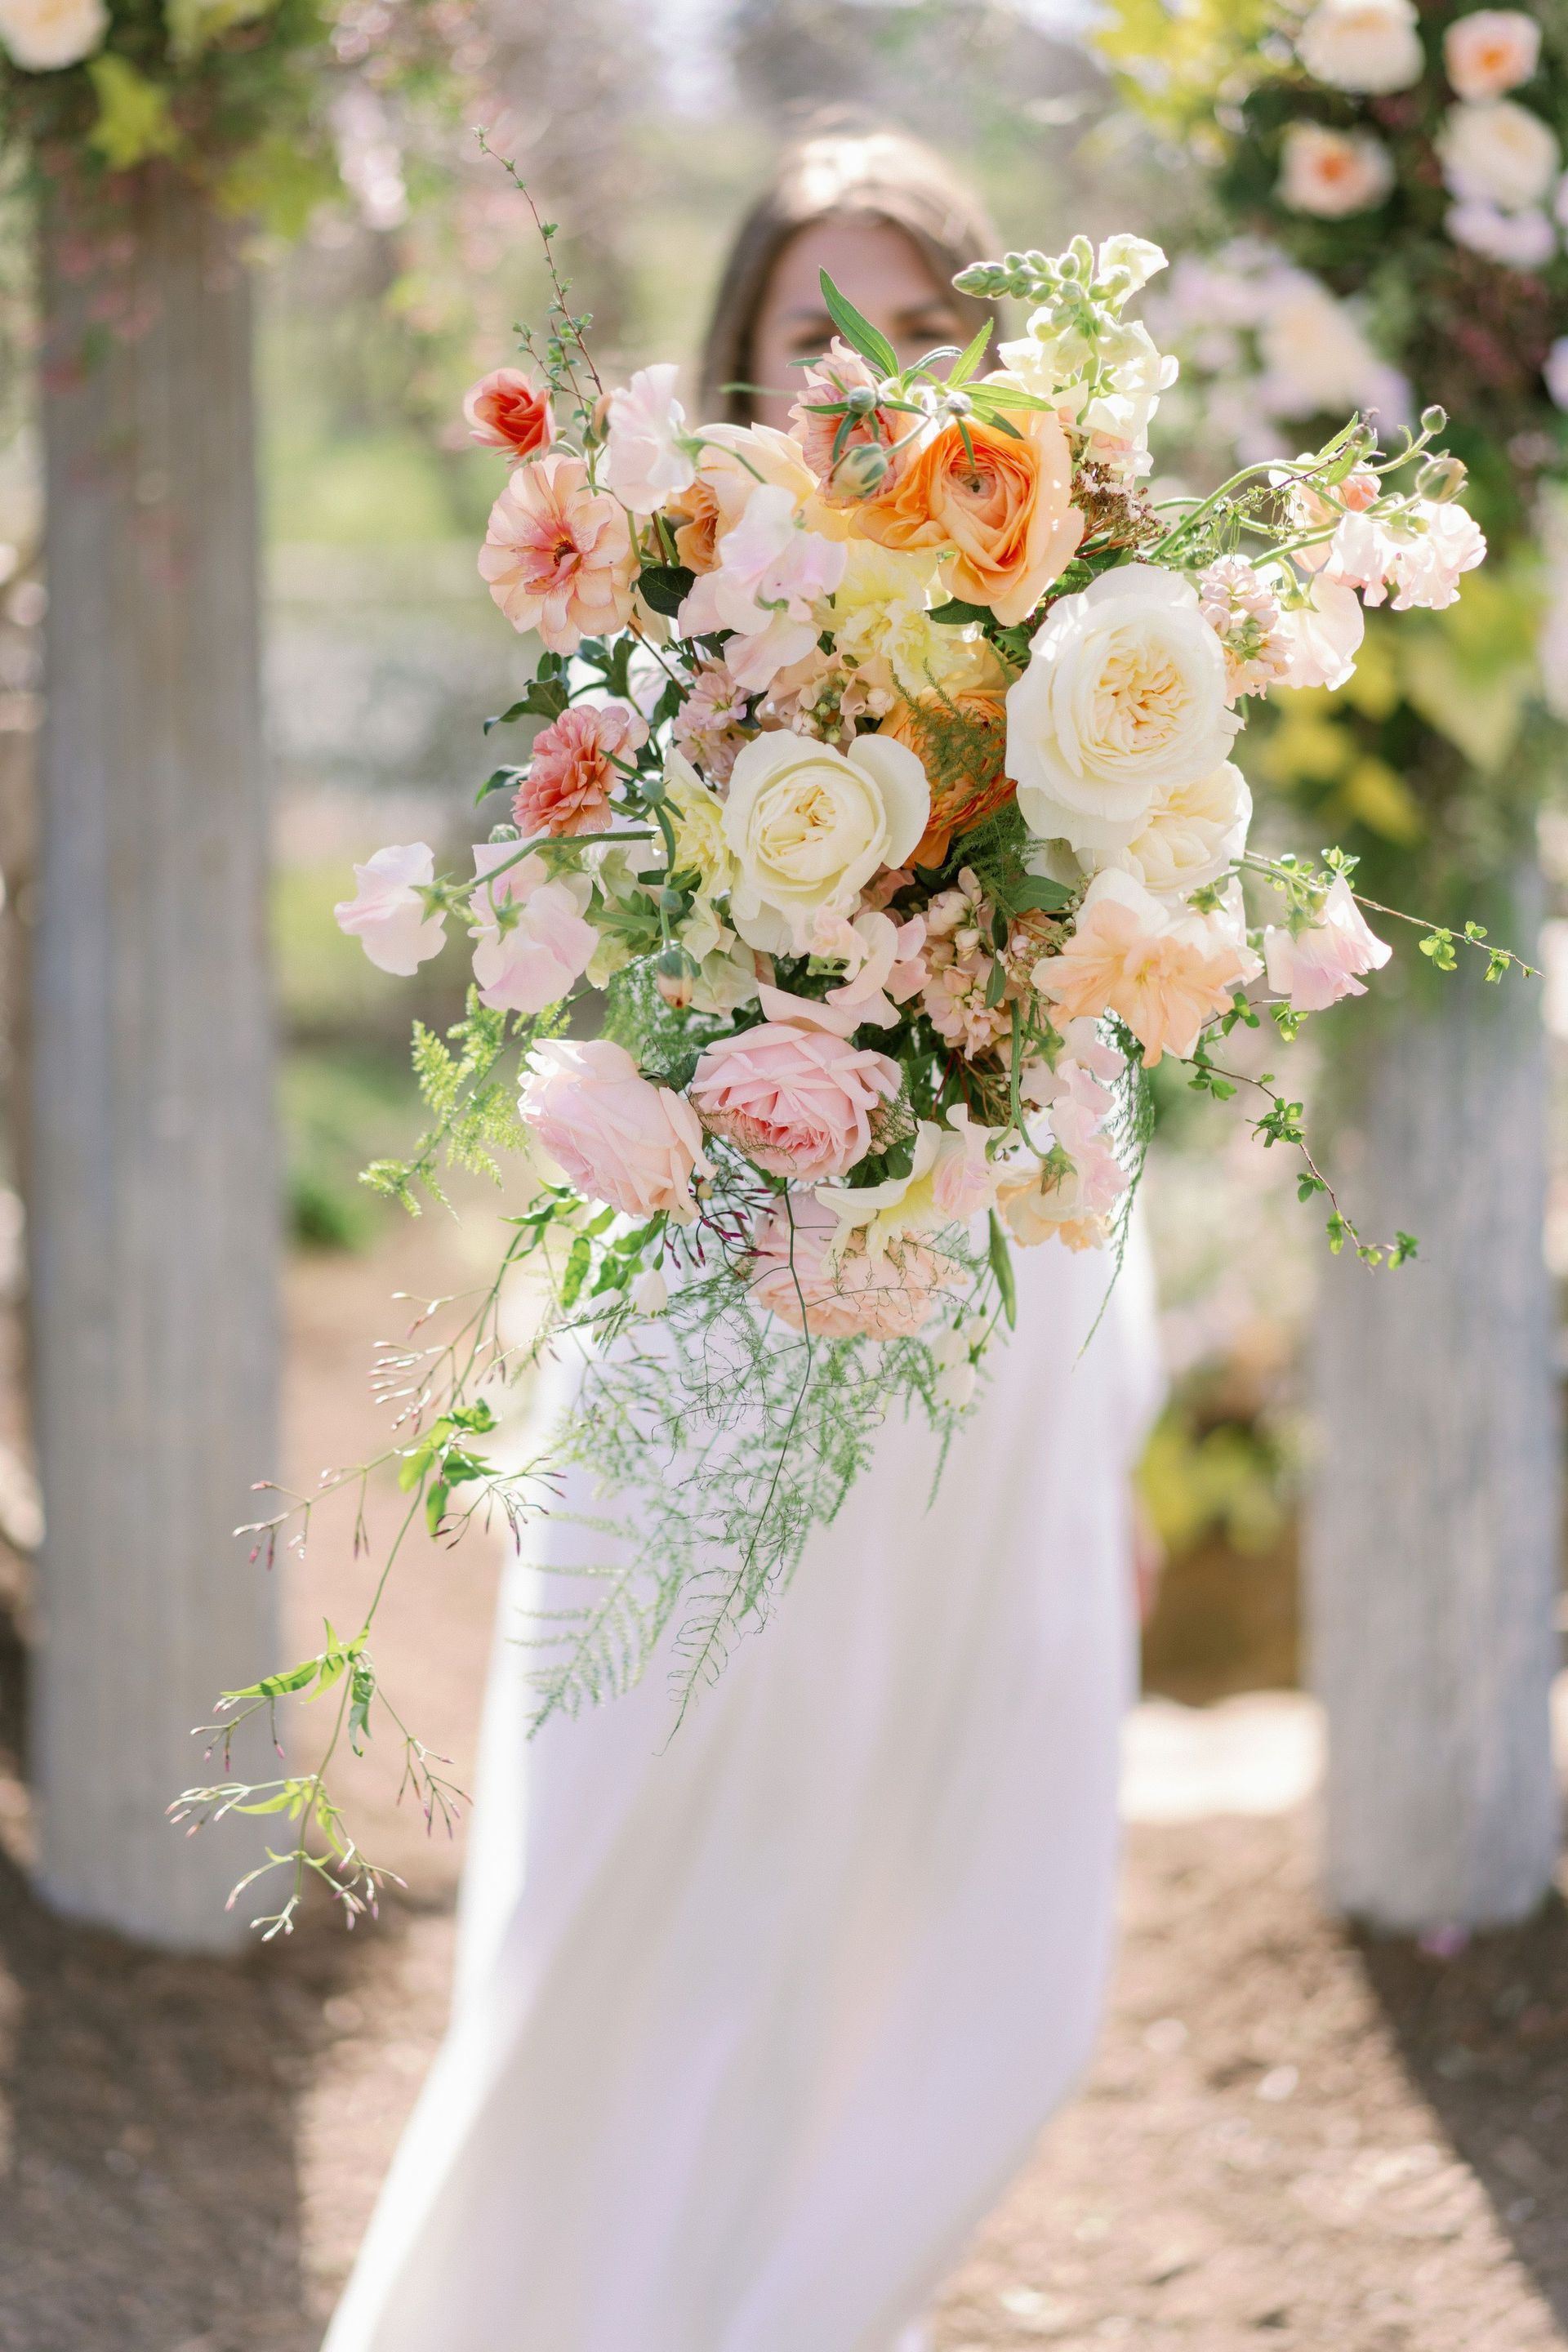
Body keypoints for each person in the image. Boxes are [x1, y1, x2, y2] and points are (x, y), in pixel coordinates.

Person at [323, 124, 1163, 2352]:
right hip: (703, 1328)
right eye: (818, 325)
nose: (868, 371)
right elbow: (574, 968)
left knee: (933, 1911)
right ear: (743, 358)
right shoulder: (650, 626)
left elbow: (1110, 1041)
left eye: (924, 325)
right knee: (625, 1877)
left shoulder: (1083, 653)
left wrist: (1111, 1418)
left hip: (973, 1337)